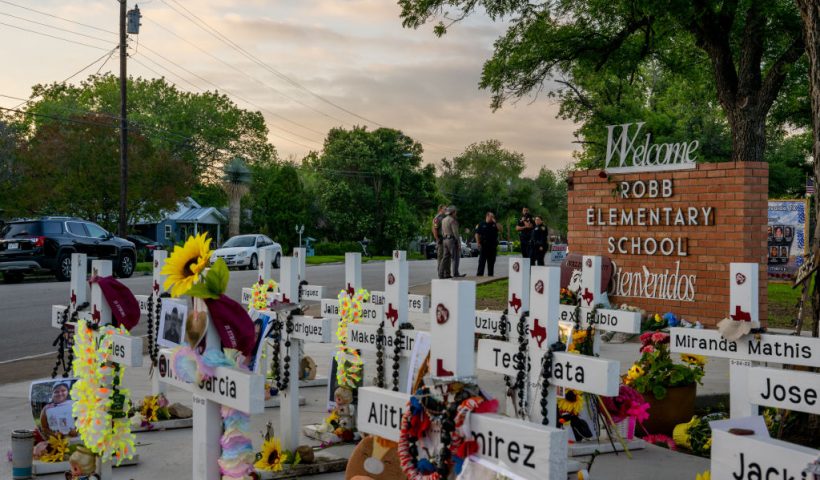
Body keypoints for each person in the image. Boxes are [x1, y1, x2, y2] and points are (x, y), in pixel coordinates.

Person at [441, 206, 465, 278]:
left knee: (445, 258)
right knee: (455, 257)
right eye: (455, 212)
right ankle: (456, 273)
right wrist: (459, 243)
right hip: (451, 240)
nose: (456, 213)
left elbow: (442, 231)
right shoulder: (452, 220)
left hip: (445, 240)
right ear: (453, 212)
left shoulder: (443, 220)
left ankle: (441, 273)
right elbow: (455, 233)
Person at [475, 211, 502, 276]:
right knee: (482, 262)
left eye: (493, 217)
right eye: (491, 216)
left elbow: (501, 230)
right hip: (484, 245)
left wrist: (496, 222)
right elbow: (477, 234)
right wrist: (478, 243)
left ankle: (490, 275)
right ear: (487, 216)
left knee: (491, 262)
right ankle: (479, 275)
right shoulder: (481, 224)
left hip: (492, 246)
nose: (493, 218)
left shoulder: (494, 224)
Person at [432, 205, 450, 279]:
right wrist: (437, 239)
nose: (446, 210)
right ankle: (441, 273)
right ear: (440, 209)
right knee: (441, 257)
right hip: (441, 239)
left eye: (447, 209)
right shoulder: (437, 218)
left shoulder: (445, 217)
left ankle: (447, 273)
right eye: (445, 209)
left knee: (447, 257)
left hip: (446, 239)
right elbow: (435, 229)